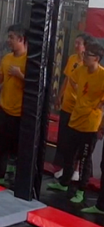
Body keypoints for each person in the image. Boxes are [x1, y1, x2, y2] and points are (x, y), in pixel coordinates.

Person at [48, 41, 104, 204]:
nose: (84, 57)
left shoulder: (102, 75)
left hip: (90, 123)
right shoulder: (80, 70)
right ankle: (65, 182)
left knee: (85, 158)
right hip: (75, 118)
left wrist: (98, 109)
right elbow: (71, 80)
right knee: (69, 153)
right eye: (84, 54)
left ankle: (81, 190)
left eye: (88, 55)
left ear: (97, 58)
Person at [54, 33, 94, 181]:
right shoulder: (72, 59)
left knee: (77, 142)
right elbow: (67, 78)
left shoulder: (89, 65)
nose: (76, 46)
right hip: (67, 105)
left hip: (79, 109)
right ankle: (67, 168)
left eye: (79, 43)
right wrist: (59, 96)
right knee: (65, 140)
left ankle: (76, 170)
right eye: (75, 42)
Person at [0, 24, 27, 187]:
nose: (9, 40)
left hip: (19, 113)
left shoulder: (29, 61)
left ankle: (17, 180)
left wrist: (20, 75)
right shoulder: (7, 58)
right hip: (4, 109)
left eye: (12, 37)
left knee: (19, 148)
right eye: (9, 37)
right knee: (2, 145)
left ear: (21, 39)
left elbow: (35, 87)